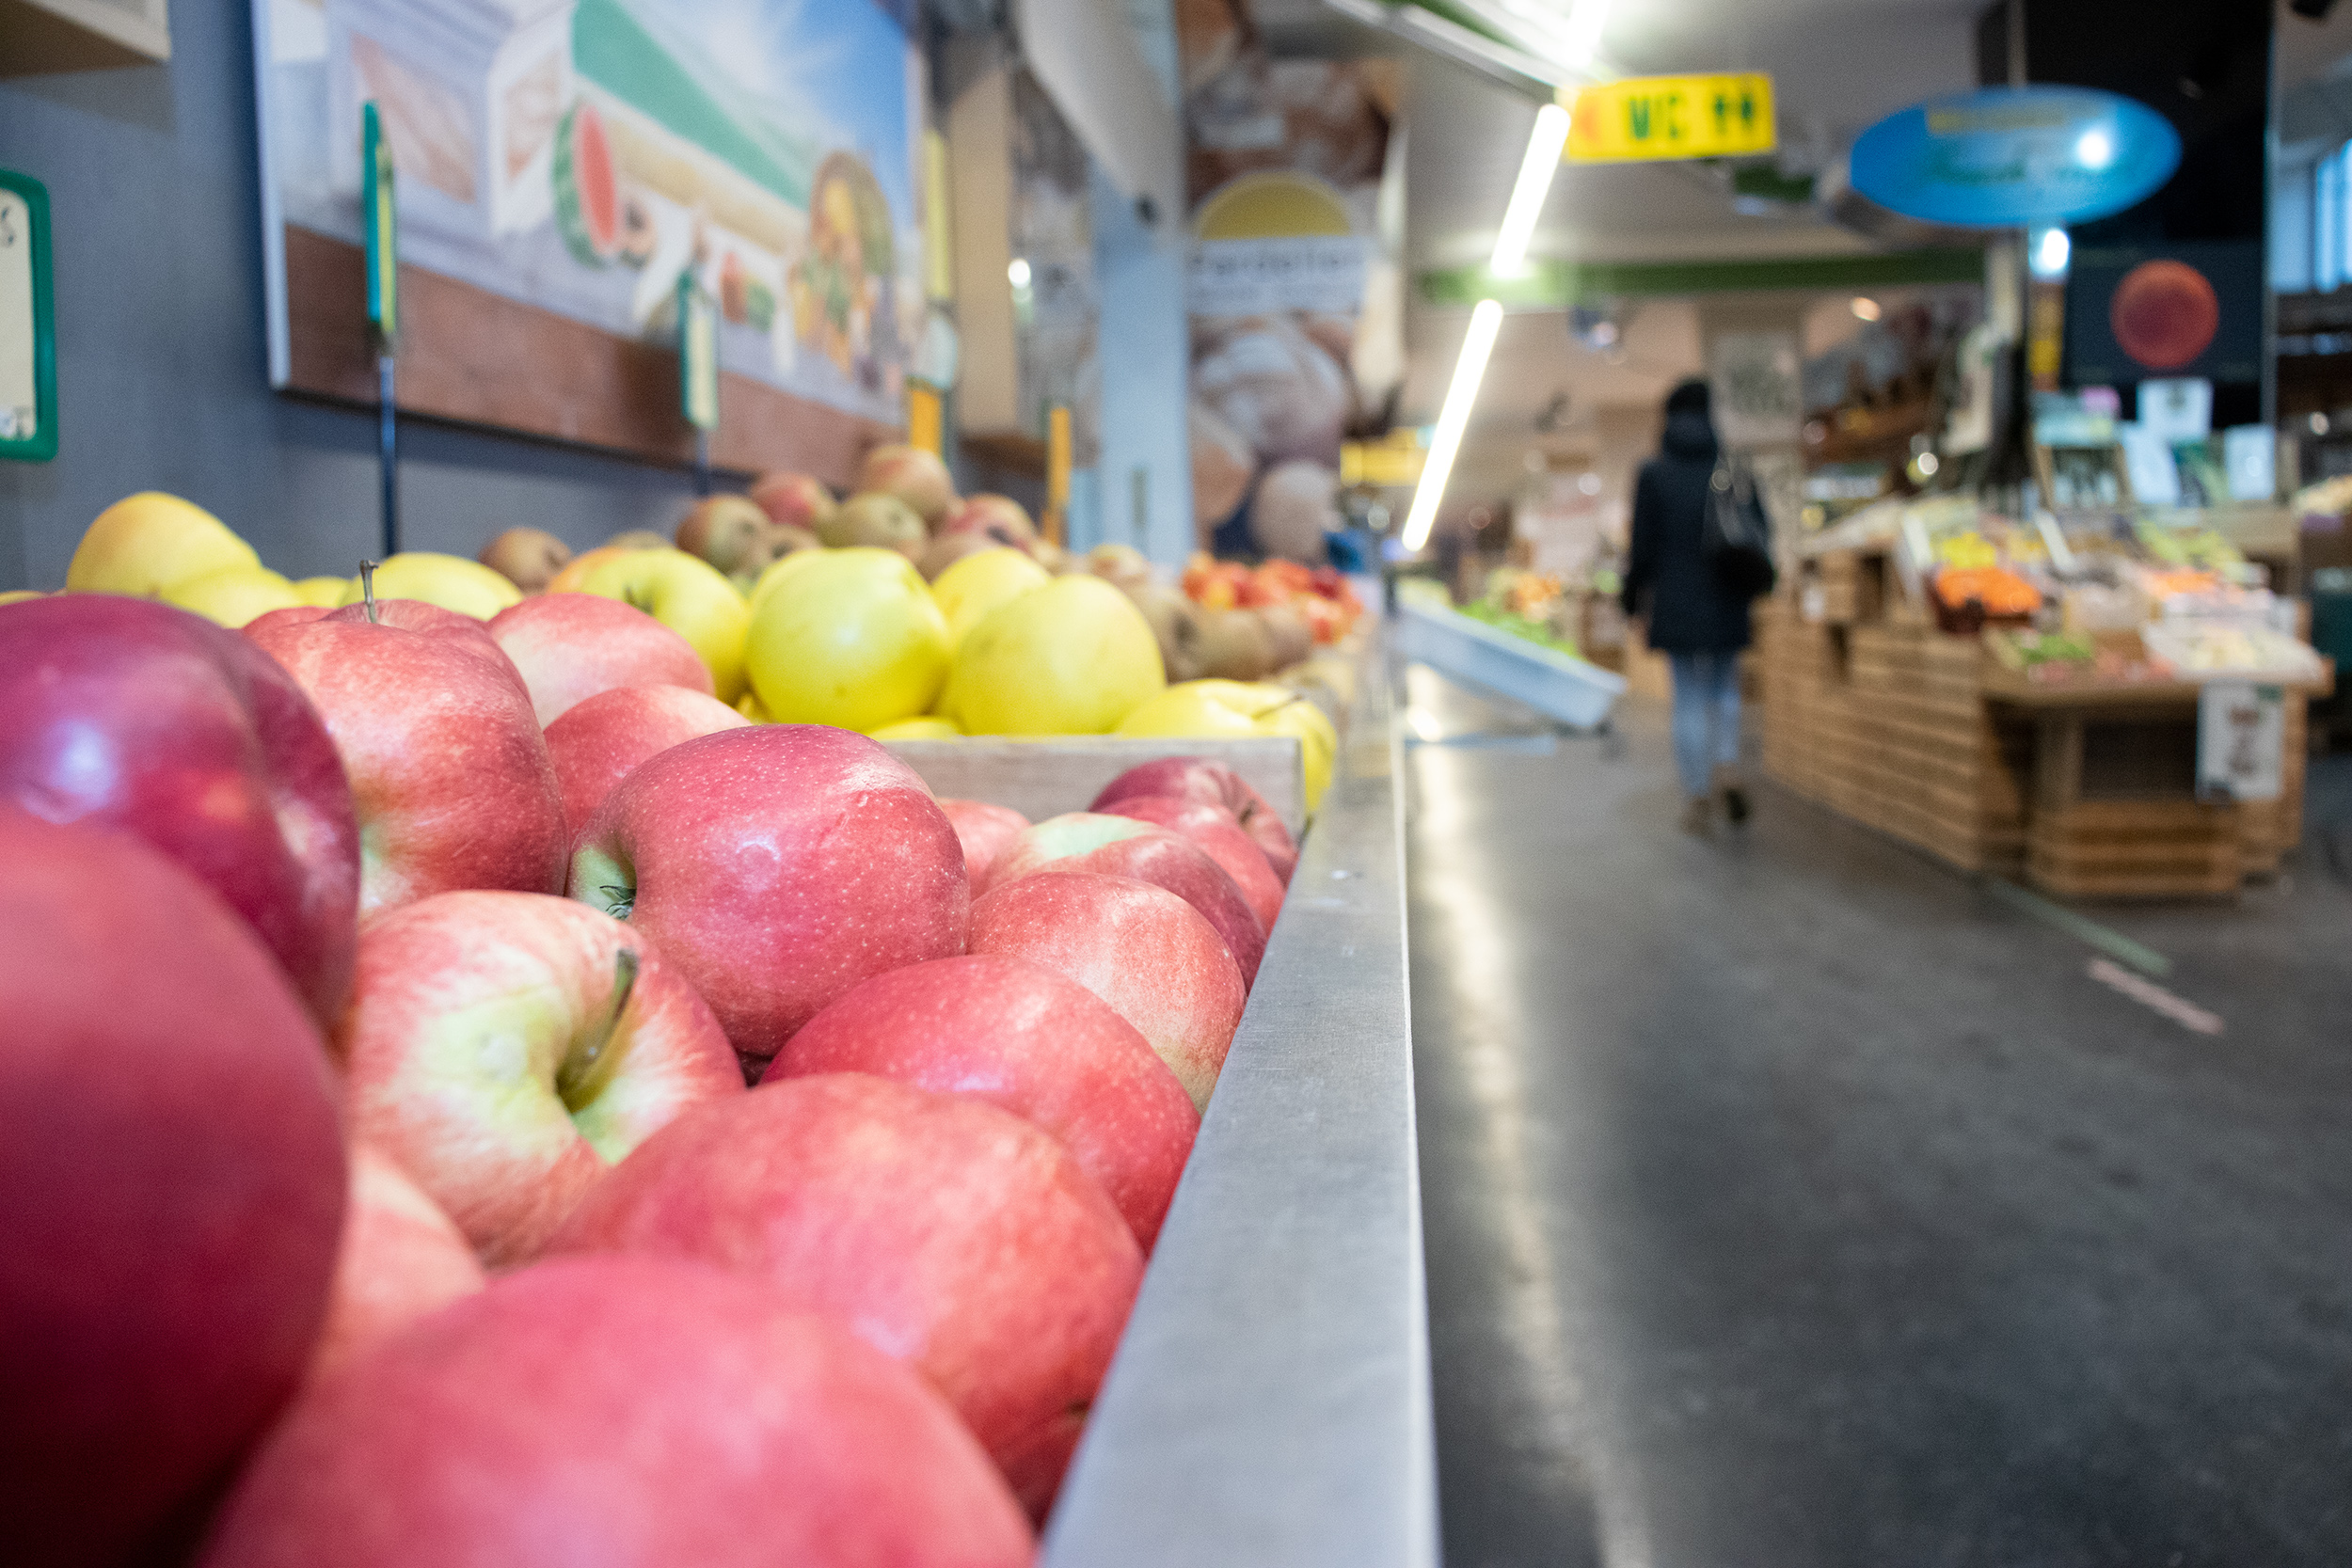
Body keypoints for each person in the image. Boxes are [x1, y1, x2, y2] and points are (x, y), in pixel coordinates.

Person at [1620, 379, 1765, 834]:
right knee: (1725, 688)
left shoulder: (1654, 474)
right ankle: (1728, 766)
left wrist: (1632, 598)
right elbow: (1760, 533)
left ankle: (1698, 795)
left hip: (1675, 600)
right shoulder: (1733, 469)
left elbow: (1641, 548)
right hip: (1727, 596)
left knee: (1687, 696)